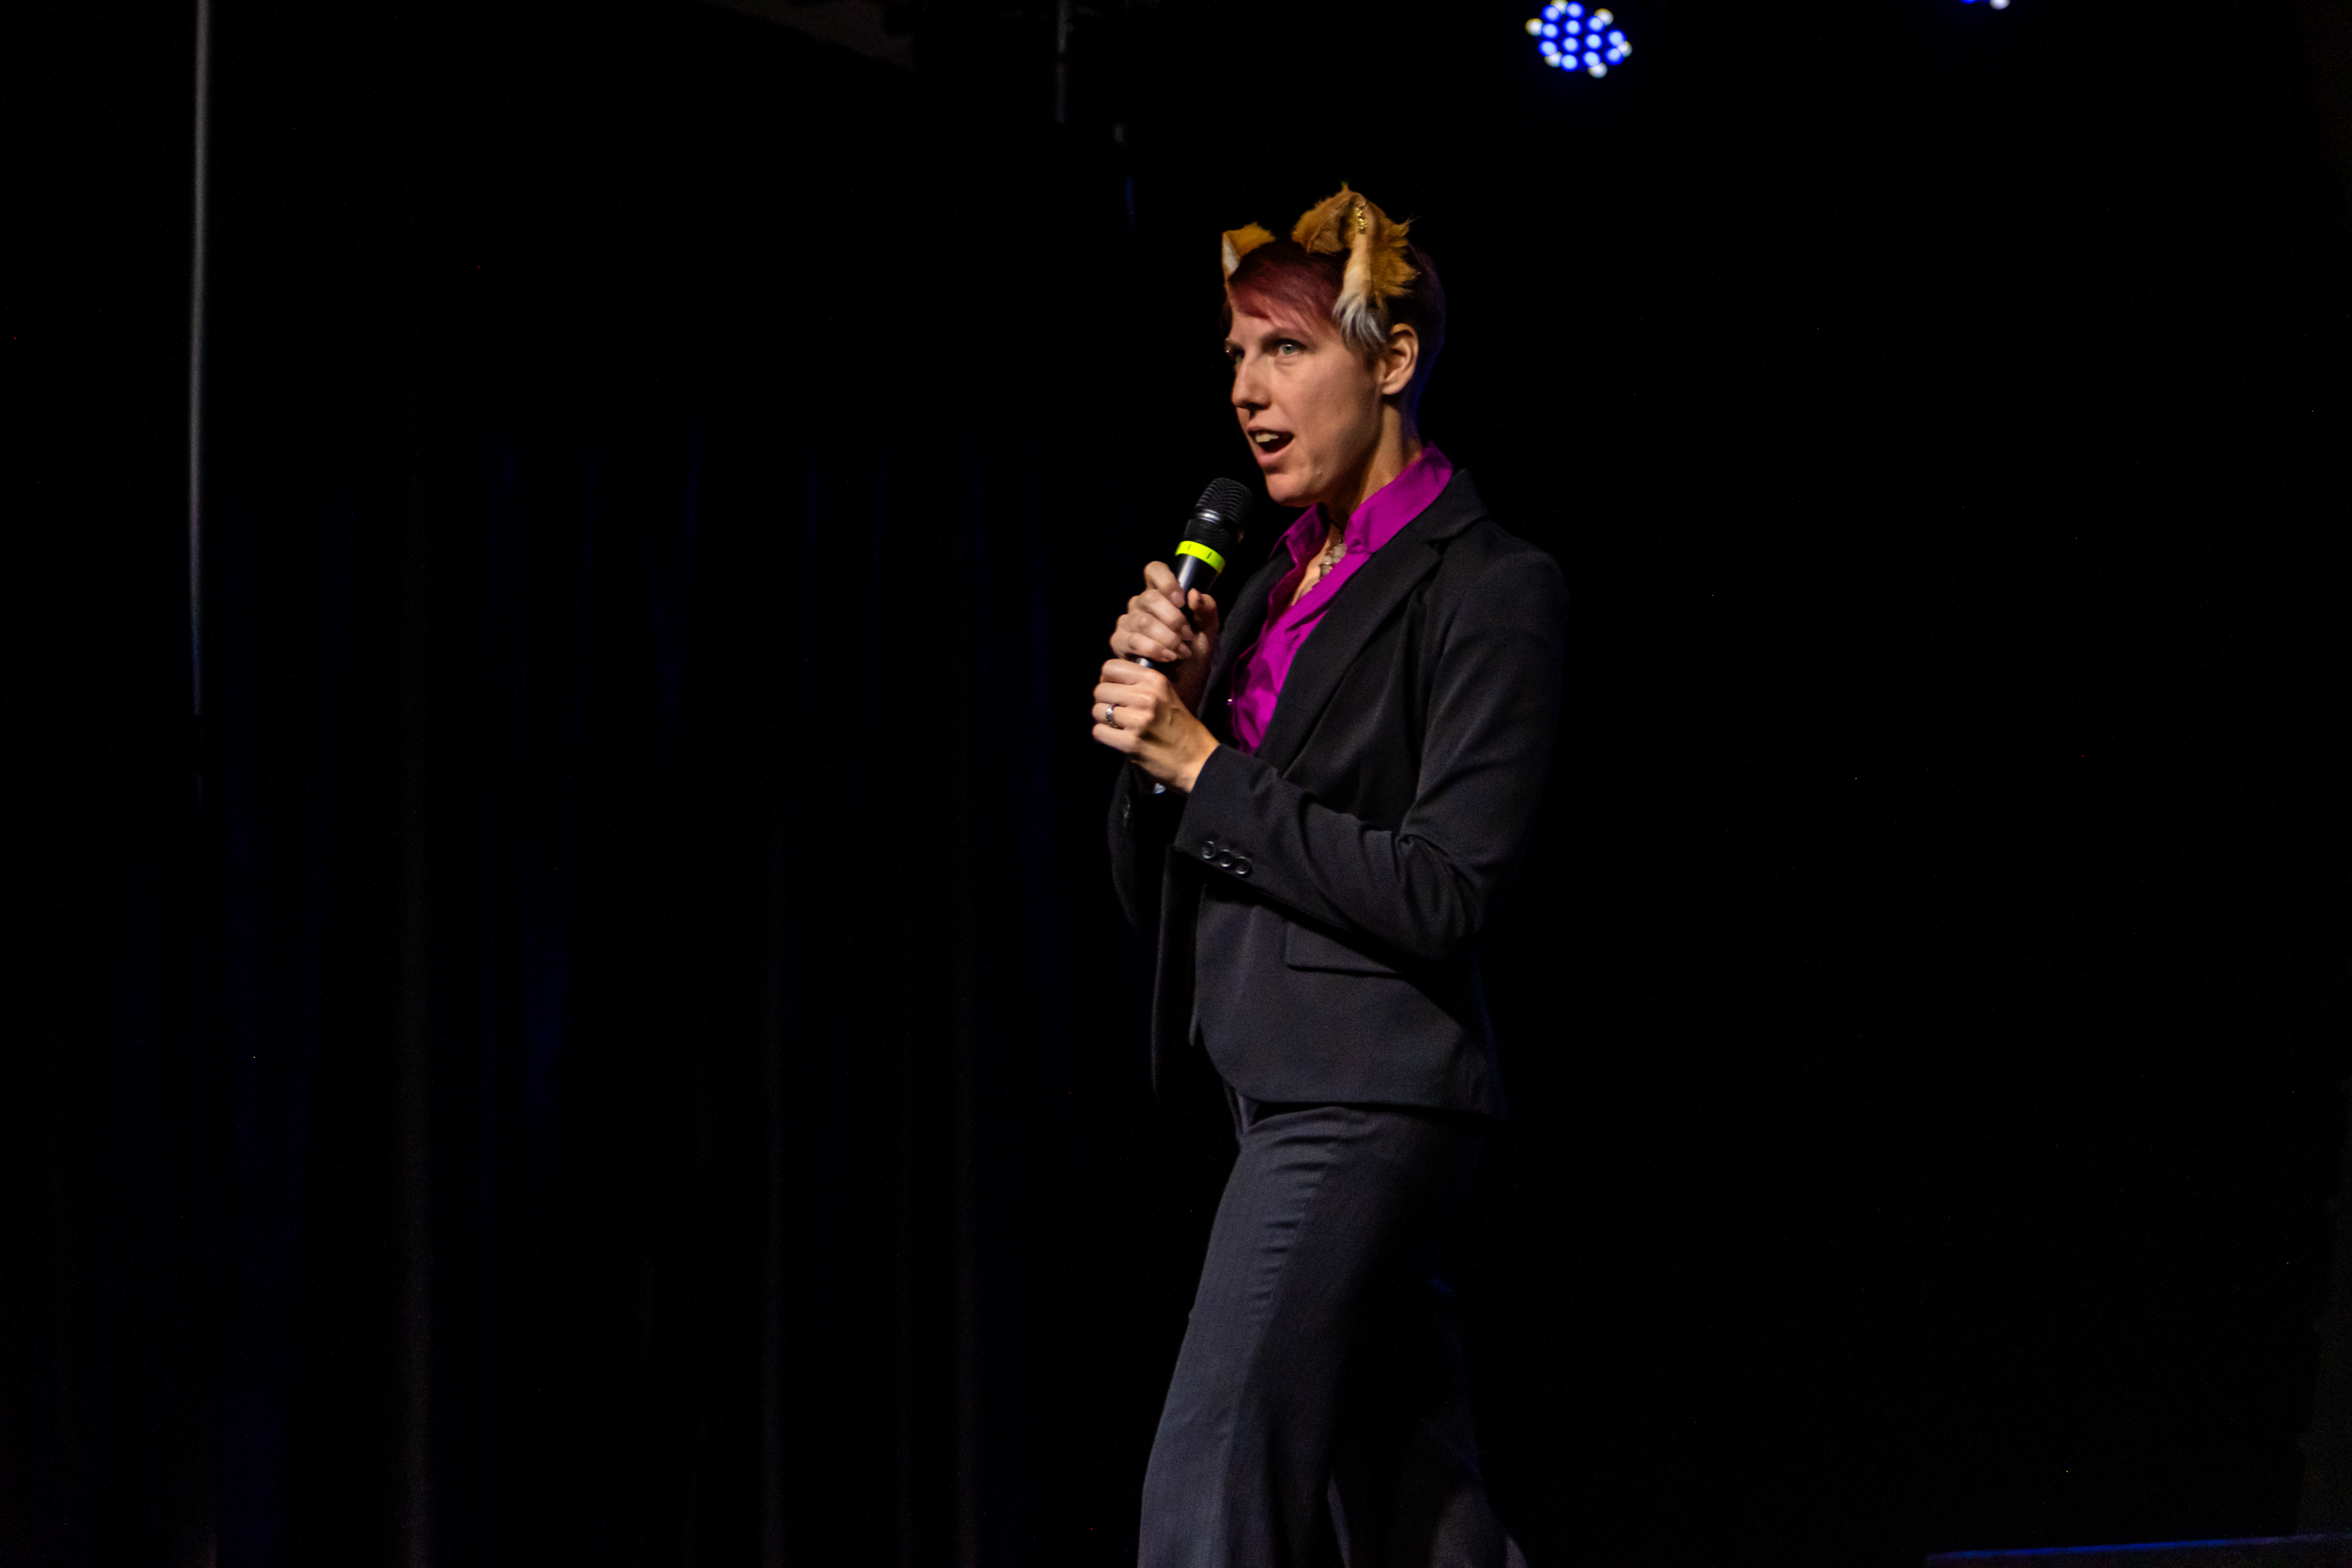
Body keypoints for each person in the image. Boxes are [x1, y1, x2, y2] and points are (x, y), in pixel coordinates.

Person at [1093, 186, 1568, 1568]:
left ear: (1394, 359)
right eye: (1238, 355)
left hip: (1365, 1091)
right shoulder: (1267, 592)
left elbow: (1446, 888)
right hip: (1263, 1087)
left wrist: (1205, 766)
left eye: (1288, 349)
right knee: (1418, 1508)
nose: (1248, 390)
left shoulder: (1488, 587)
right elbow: (1167, 883)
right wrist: (1170, 736)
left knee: (1211, 1477)